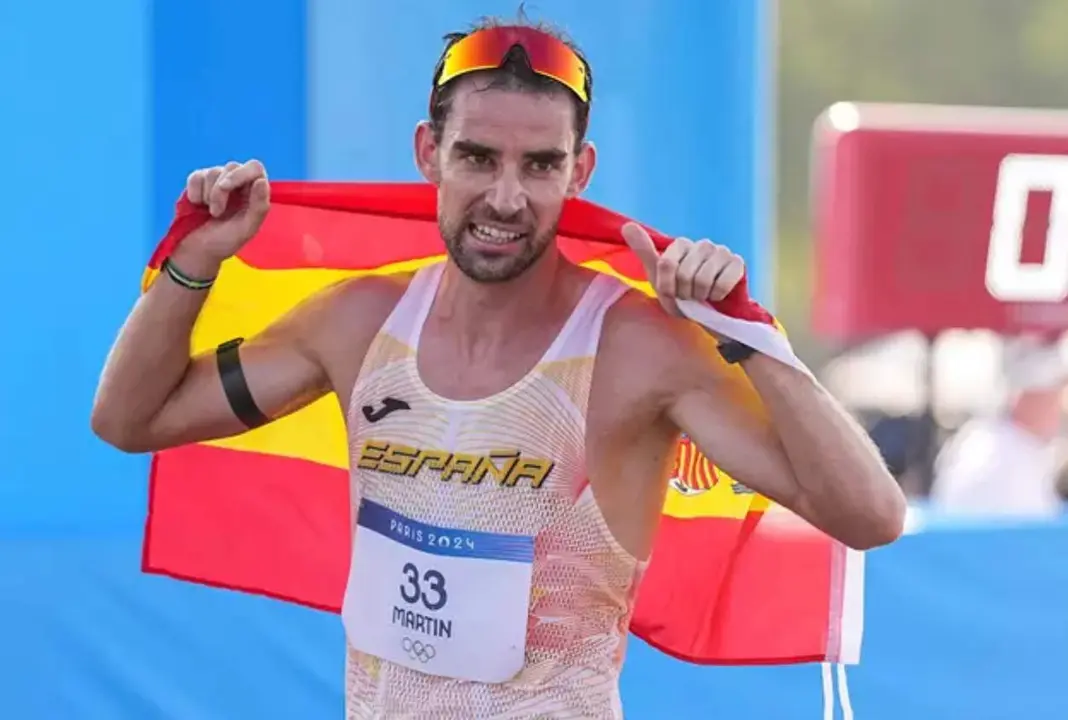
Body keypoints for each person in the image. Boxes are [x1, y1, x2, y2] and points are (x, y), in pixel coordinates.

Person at [91, 18, 905, 719]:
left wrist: (752, 339)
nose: (507, 198)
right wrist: (193, 265)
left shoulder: (636, 350)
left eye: (540, 166)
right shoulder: (358, 323)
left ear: (579, 172)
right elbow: (129, 421)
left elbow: (871, 518)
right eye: (478, 158)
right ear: (428, 153)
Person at [931, 336, 1068, 518]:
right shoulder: (997, 452)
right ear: (1027, 399)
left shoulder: (1005, 442)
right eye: (1054, 395)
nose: (1059, 408)